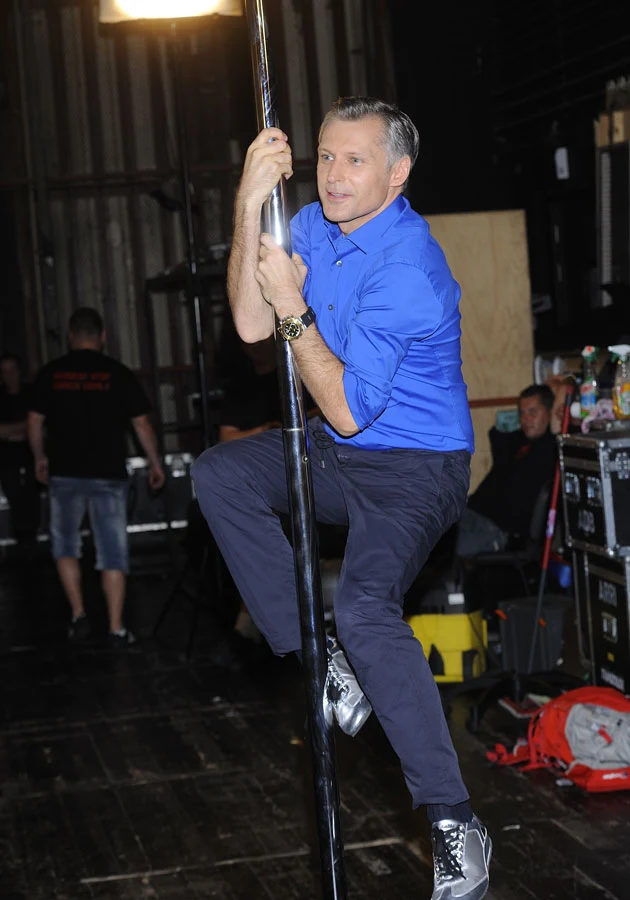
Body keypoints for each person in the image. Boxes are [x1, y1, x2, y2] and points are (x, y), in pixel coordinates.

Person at [191, 97, 491, 900]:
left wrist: (293, 305)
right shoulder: (314, 227)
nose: (333, 174)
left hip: (417, 467)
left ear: (398, 173)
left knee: (363, 607)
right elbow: (249, 325)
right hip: (339, 453)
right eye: (325, 156)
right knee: (219, 474)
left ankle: (455, 821)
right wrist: (248, 201)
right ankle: (320, 661)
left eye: (355, 160)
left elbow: (351, 407)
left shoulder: (410, 268)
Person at [28, 307, 165, 647]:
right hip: (108, 475)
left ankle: (78, 615)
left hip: (64, 473)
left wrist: (40, 457)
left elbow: (34, 421)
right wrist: (155, 463)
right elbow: (142, 424)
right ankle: (116, 628)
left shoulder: (51, 373)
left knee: (65, 547)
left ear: (71, 336)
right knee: (112, 552)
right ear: (102, 336)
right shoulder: (117, 373)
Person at [456, 383, 557, 558]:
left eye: (533, 412)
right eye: (522, 413)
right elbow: (496, 435)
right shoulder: (518, 442)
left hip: (498, 530)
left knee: (439, 552)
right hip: (472, 513)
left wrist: (560, 384)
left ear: (549, 412)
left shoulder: (551, 448)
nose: (526, 419)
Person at [0, 353, 41, 555]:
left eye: (12, 370)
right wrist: (25, 428)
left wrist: (19, 431)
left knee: (32, 499)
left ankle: (31, 540)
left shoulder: (32, 394)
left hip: (31, 455)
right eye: (5, 371)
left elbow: (40, 425)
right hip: (7, 459)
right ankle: (22, 542)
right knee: (15, 498)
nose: (9, 376)